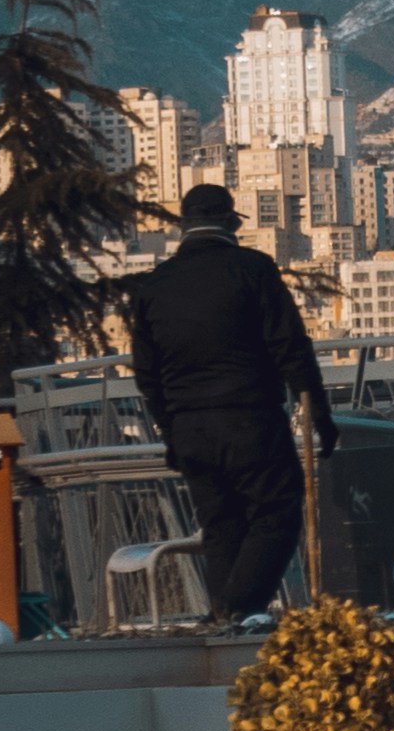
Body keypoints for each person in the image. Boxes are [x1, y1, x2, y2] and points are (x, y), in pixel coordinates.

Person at [128, 180, 335, 621]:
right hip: (249, 417)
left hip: (189, 430)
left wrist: (171, 430)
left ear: (184, 225)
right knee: (277, 514)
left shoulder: (154, 286)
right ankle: (235, 610)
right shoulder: (253, 269)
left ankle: (226, 624)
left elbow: (146, 374)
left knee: (221, 527)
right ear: (229, 222)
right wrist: (320, 414)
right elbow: (290, 348)